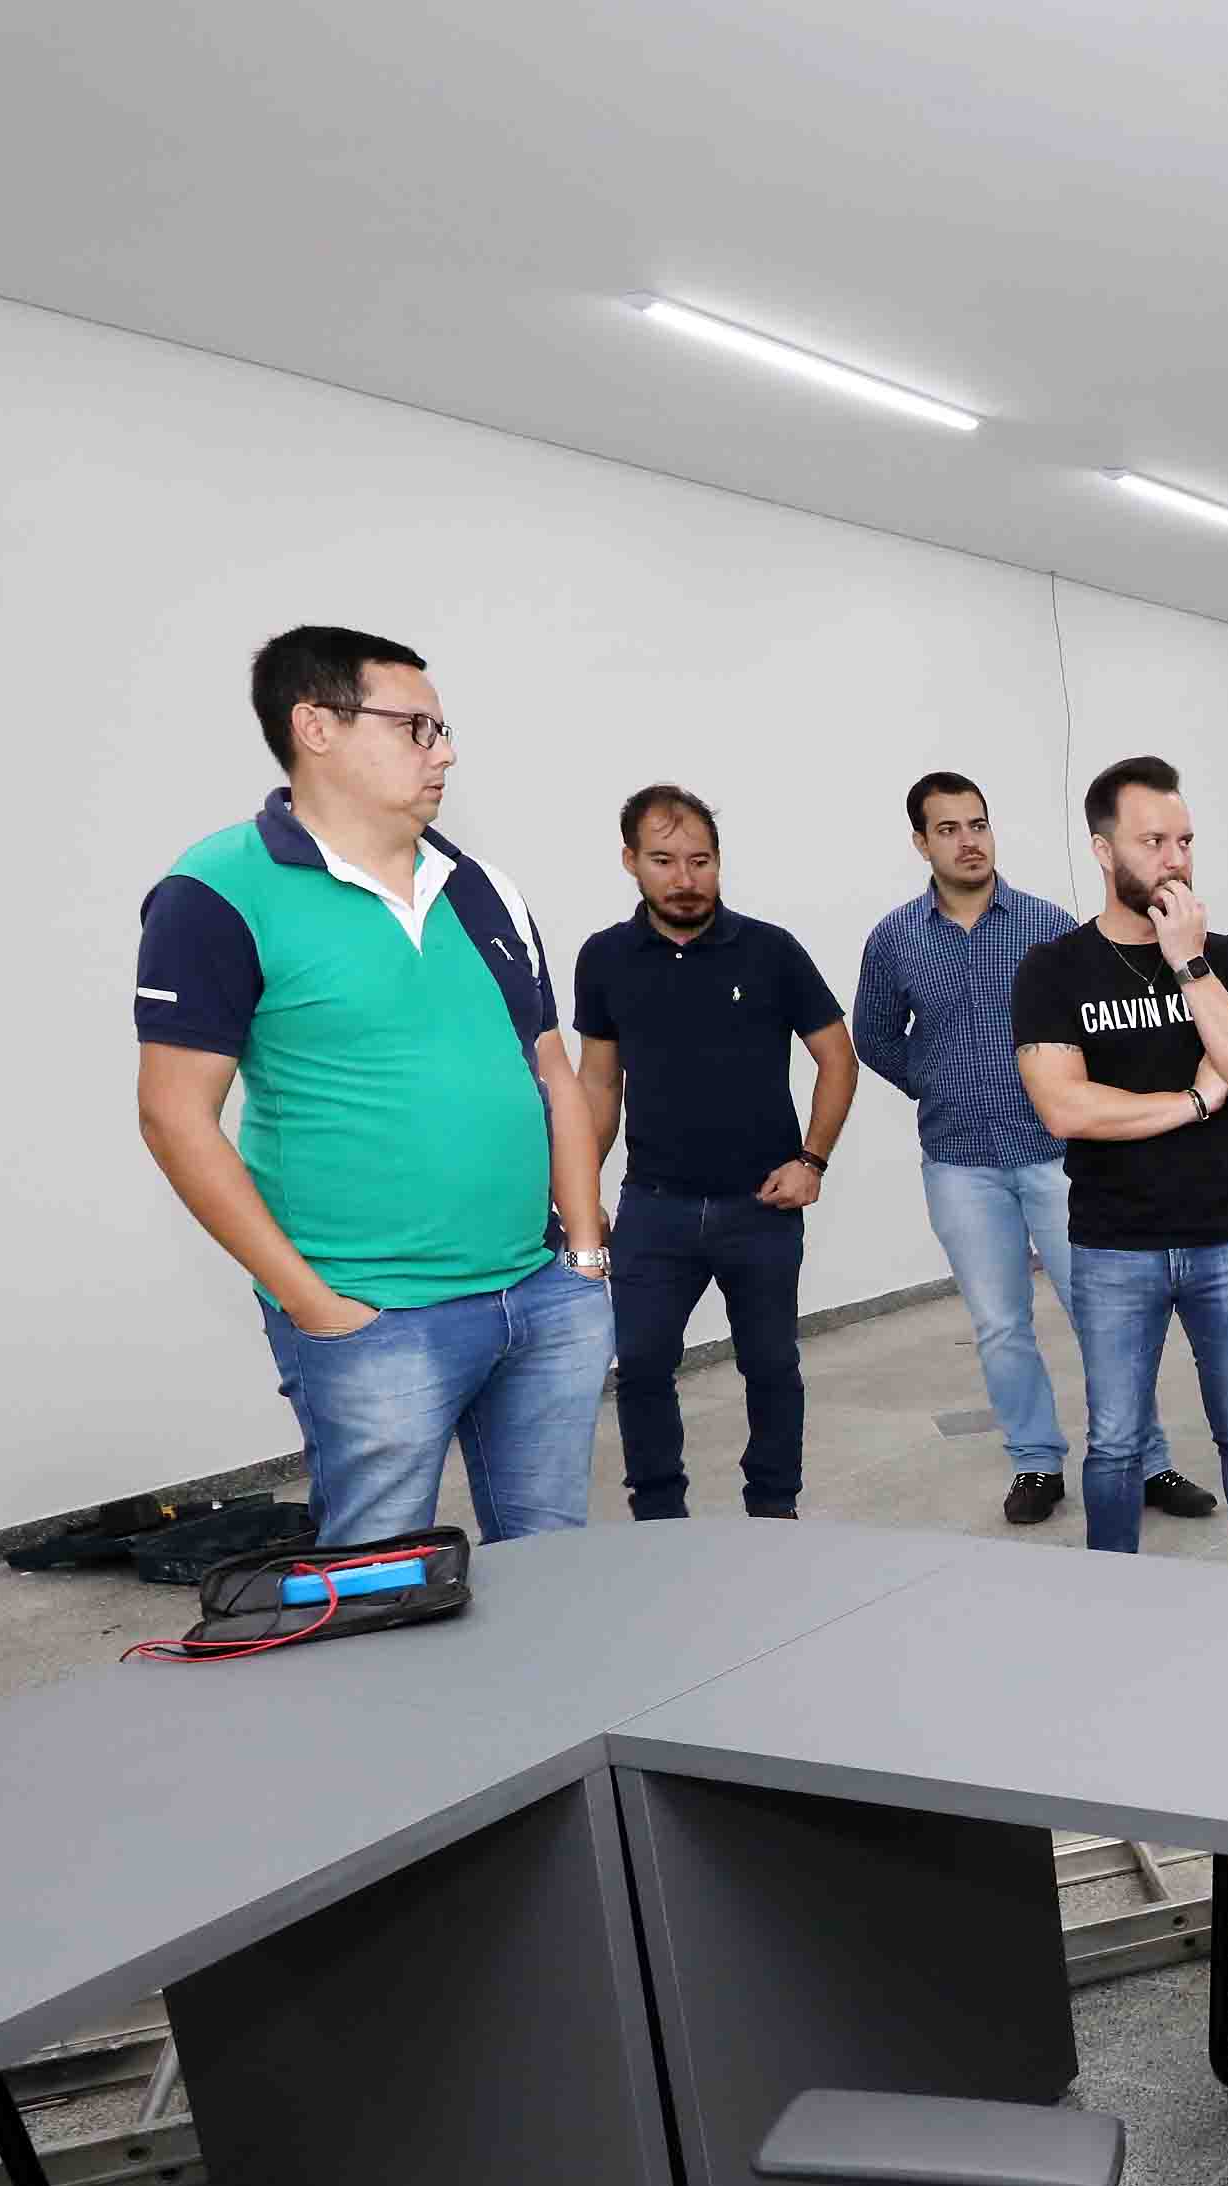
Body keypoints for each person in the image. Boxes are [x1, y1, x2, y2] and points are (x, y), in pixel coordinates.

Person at [134, 624, 610, 1545]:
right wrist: (316, 1306)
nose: (445, 752)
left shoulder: (483, 887)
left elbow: (551, 1071)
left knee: (556, 1562)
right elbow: (173, 1116)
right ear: (316, 727)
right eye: (417, 728)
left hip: (542, 1294)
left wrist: (584, 1260)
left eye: (443, 730)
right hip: (373, 1318)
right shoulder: (216, 892)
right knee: (375, 1584)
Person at [857, 771, 1211, 1532]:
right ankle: (1036, 1462)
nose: (969, 841)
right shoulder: (894, 939)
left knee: (1103, 1315)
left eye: (978, 824)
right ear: (921, 843)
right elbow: (874, 1036)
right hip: (960, 1161)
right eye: (948, 829)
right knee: (999, 1324)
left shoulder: (1046, 927)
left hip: (1056, 1155)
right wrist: (933, 1079)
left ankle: (1146, 1459)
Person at [1012, 756, 1228, 1558]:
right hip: (1114, 1244)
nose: (1175, 859)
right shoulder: (1054, 969)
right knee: (1115, 1443)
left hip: (1225, 1237)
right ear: (1104, 851)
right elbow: (1066, 1108)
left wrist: (1188, 962)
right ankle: (1113, 1597)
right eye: (1154, 841)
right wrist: (1195, 1101)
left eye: (1185, 841)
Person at [573, 786, 856, 1522]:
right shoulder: (604, 958)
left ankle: (774, 1510)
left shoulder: (771, 950)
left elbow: (837, 1056)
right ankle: (659, 1518)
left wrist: (812, 1161)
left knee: (771, 1366)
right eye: (664, 860)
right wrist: (579, 1194)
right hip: (653, 1209)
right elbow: (598, 1084)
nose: (685, 878)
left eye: (700, 861)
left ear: (720, 862)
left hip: (760, 1206)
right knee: (640, 1368)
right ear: (631, 861)